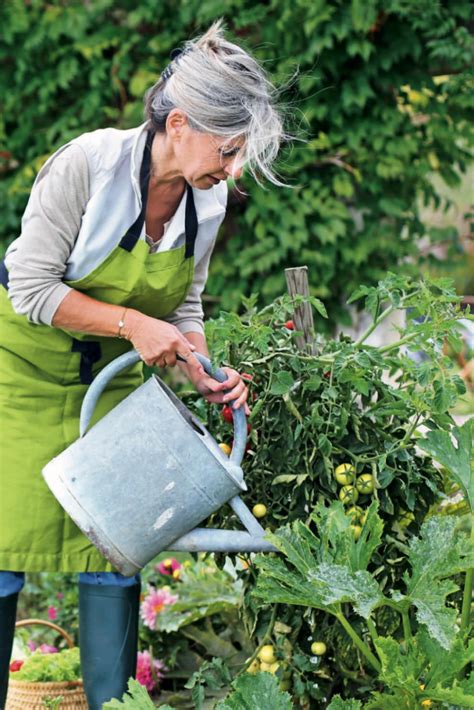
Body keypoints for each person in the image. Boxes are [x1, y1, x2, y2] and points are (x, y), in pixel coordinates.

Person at [0, 20, 284, 709]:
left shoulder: (207, 199)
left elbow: (183, 307)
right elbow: (29, 287)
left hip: (113, 390)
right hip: (22, 383)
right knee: (3, 553)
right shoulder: (87, 167)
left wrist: (203, 370)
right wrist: (132, 323)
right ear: (180, 124)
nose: (234, 168)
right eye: (230, 149)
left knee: (113, 555)